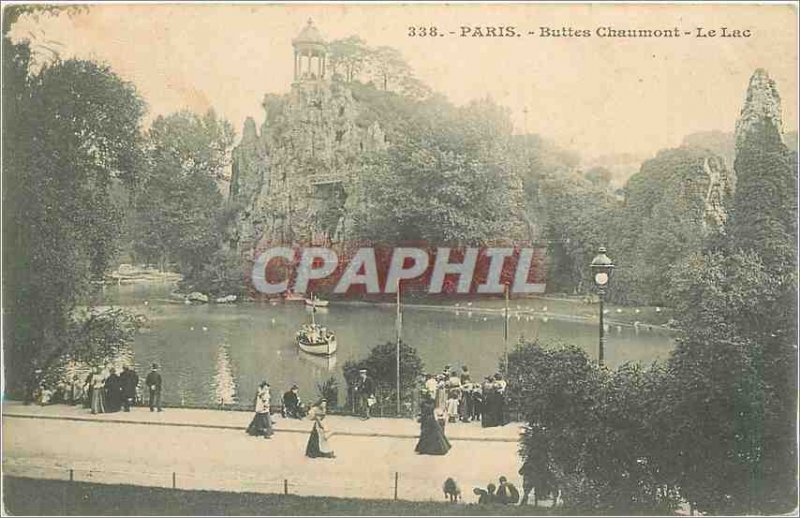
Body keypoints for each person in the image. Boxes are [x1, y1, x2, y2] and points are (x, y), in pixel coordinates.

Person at [415, 391, 451, 455]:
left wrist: (420, 418)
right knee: (435, 433)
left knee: (425, 434)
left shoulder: (424, 404)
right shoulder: (432, 403)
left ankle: (424, 449)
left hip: (427, 420)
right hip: (432, 419)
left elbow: (424, 413)